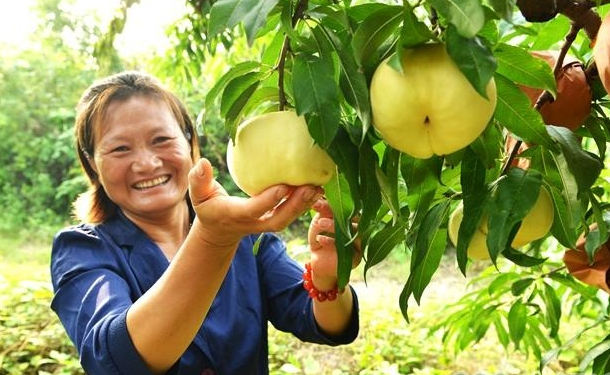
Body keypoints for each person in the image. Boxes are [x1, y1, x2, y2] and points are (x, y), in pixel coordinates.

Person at [50, 71, 361, 375]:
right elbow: (111, 359)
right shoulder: (83, 249)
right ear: (92, 162)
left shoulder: (249, 239)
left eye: (161, 140)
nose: (146, 163)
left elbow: (317, 320)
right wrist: (214, 239)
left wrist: (328, 280)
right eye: (120, 148)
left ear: (189, 142)